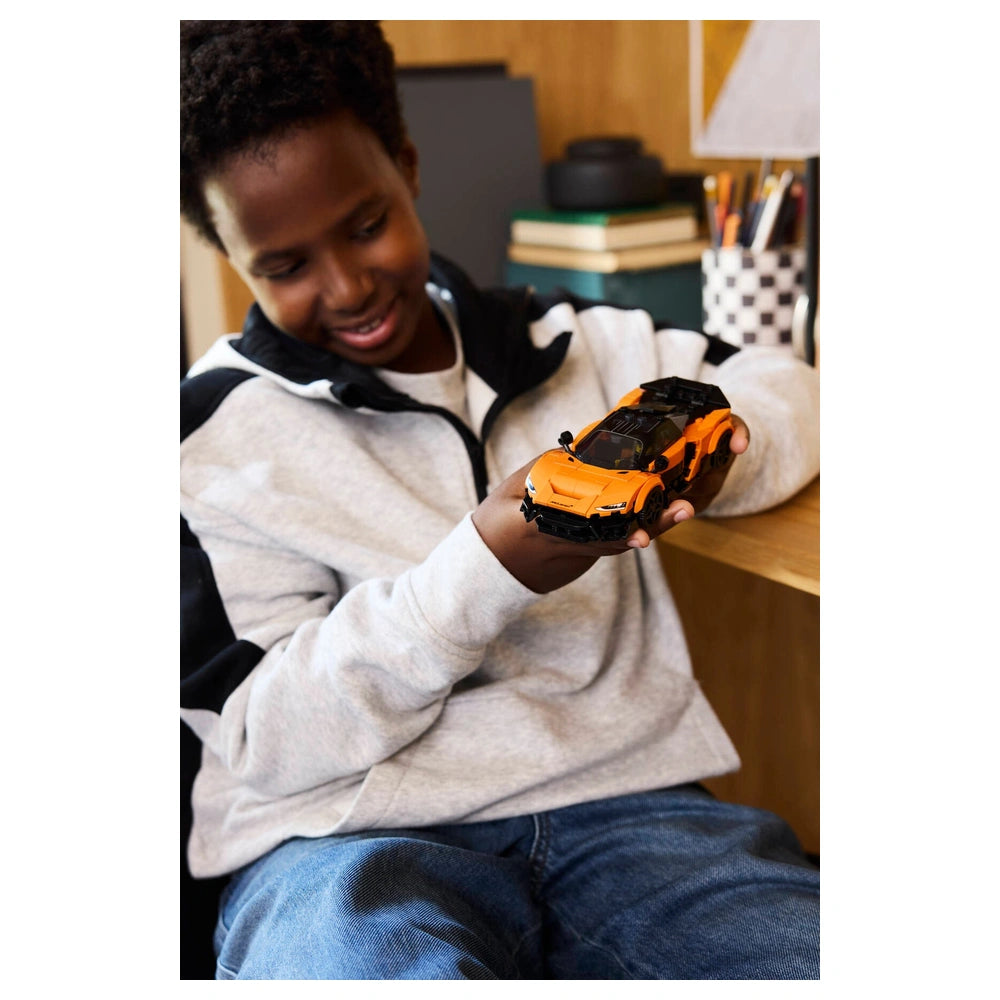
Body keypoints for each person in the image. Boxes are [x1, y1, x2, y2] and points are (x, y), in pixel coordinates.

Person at [180, 20, 821, 980]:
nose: (346, 286)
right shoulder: (207, 440)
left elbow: (789, 385)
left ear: (406, 167)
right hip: (340, 844)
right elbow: (260, 739)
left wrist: (732, 453)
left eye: (366, 225)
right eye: (285, 266)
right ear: (231, 255)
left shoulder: (579, 340)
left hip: (630, 815)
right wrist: (480, 574)